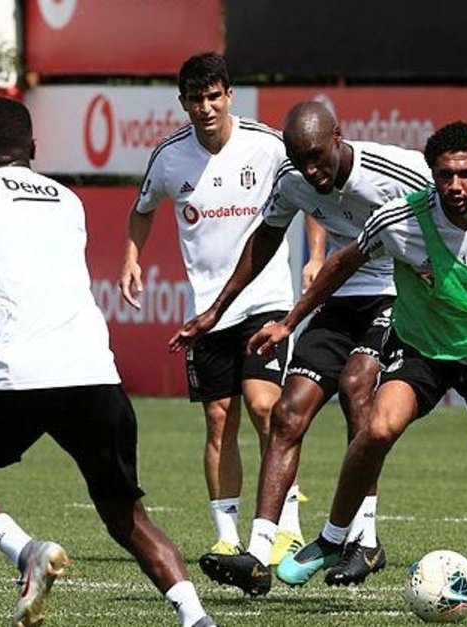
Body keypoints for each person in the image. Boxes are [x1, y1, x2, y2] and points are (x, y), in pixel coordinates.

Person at [250, 122, 467, 615]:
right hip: (422, 348)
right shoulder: (398, 219)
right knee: (377, 428)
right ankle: (333, 538)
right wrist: (289, 322)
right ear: (432, 175)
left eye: (466, 174)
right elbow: (341, 264)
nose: (455, 185)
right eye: (445, 175)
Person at [0, 97, 215, 627]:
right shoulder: (68, 201)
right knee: (127, 517)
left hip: (20, 378)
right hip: (94, 373)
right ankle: (195, 616)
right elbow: (20, 273)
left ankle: (26, 551)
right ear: (33, 147)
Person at [173, 101, 432, 595]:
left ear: (338, 136)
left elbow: (459, 210)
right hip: (339, 297)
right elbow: (265, 239)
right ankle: (257, 554)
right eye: (299, 159)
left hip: (396, 293)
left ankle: (364, 539)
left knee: (357, 384)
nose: (311, 171)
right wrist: (216, 311)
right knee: (287, 413)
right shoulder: (293, 179)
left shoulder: (397, 171)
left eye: (317, 156)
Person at [119, 52, 301, 557]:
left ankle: (287, 525)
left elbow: (310, 193)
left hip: (266, 298)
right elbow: (142, 210)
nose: (205, 108)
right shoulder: (169, 157)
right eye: (195, 99)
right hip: (207, 310)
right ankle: (226, 537)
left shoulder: (267, 146)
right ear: (183, 102)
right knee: (219, 419)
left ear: (229, 95)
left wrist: (315, 256)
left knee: (265, 407)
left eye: (214, 96)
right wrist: (131, 259)